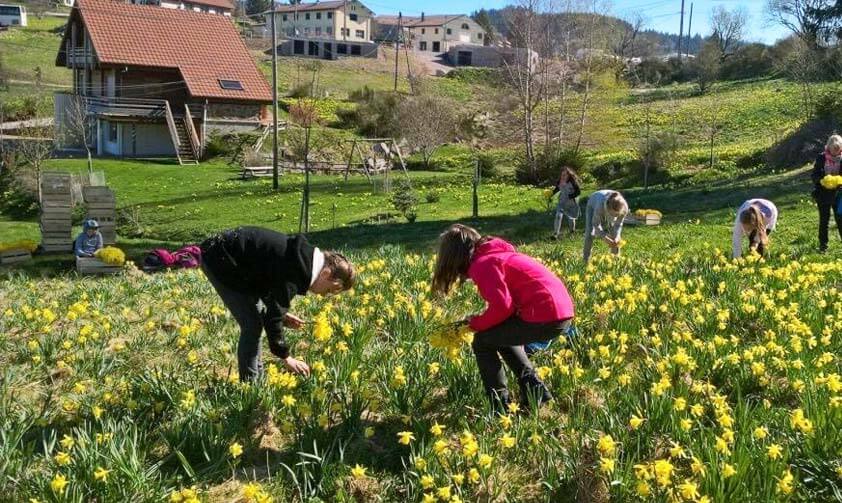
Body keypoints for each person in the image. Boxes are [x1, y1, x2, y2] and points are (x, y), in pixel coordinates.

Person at [431, 224, 575, 413]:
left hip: (545, 314)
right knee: (499, 334)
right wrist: (481, 321)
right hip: (558, 312)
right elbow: (505, 308)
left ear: (454, 258)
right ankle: (535, 390)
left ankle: (499, 405)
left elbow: (502, 307)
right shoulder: (496, 256)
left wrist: (474, 324)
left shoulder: (483, 264)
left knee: (483, 341)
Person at [200, 227, 355, 382]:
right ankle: (249, 385)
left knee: (256, 320)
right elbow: (273, 315)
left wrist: (281, 315)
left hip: (231, 257)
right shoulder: (297, 271)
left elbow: (271, 285)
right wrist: (286, 357)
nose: (324, 295)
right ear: (326, 273)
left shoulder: (301, 259)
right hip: (220, 258)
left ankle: (256, 381)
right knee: (252, 324)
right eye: (329, 290)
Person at [811, 134, 842, 252]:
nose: (835, 153)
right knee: (824, 220)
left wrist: (839, 180)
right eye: (833, 149)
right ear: (828, 147)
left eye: (838, 150)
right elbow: (814, 174)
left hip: (839, 194)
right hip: (823, 194)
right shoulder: (821, 158)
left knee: (840, 219)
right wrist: (821, 180)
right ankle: (823, 246)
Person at [582, 190, 628, 263]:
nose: (615, 217)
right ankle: (585, 260)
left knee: (615, 234)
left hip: (607, 205)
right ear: (608, 209)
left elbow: (618, 225)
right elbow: (596, 224)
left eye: (616, 215)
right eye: (613, 215)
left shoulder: (624, 208)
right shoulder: (599, 206)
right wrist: (604, 237)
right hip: (592, 204)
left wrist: (617, 236)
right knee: (589, 233)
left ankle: (615, 261)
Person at [551, 167, 582, 239]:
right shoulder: (560, 181)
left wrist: (570, 196)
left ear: (568, 175)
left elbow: (578, 192)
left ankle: (572, 231)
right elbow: (557, 189)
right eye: (562, 175)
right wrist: (550, 194)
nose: (563, 177)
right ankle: (556, 234)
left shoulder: (572, 182)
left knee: (571, 218)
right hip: (561, 202)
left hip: (571, 203)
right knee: (558, 216)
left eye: (565, 175)